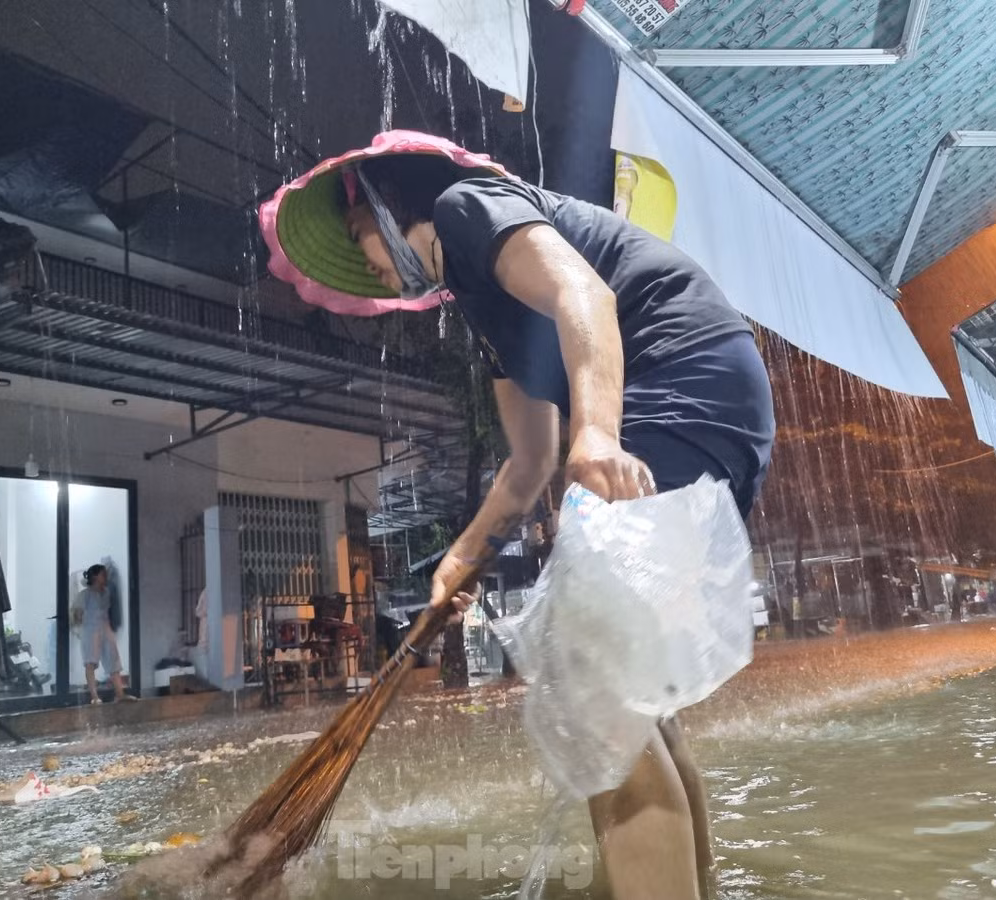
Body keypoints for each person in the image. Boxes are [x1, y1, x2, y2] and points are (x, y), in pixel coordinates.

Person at [260, 131, 775, 900]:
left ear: (386, 207)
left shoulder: (465, 206)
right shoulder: (487, 308)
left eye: (357, 232)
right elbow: (529, 462)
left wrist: (597, 428)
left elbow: (587, 297)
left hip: (679, 379)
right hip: (710, 393)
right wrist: (460, 560)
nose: (362, 256)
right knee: (632, 694)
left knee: (596, 690)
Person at [72, 564, 134, 704]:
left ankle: (120, 694)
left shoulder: (106, 593)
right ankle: (94, 696)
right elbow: (77, 614)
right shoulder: (85, 594)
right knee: (90, 662)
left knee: (113, 660)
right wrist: (80, 629)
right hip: (90, 630)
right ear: (95, 576)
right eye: (102, 574)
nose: (105, 577)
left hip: (105, 628)